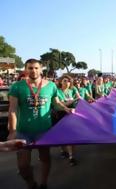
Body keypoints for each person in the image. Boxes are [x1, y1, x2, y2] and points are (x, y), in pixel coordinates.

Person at [7, 59, 74, 189]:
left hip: (44, 131)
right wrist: (12, 131)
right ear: (25, 70)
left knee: (45, 158)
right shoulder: (17, 86)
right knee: (23, 166)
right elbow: (13, 109)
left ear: (41, 69)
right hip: (23, 132)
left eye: (36, 68)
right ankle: (31, 184)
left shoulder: (51, 86)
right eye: (30, 68)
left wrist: (67, 108)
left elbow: (56, 103)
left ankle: (43, 183)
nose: (33, 70)